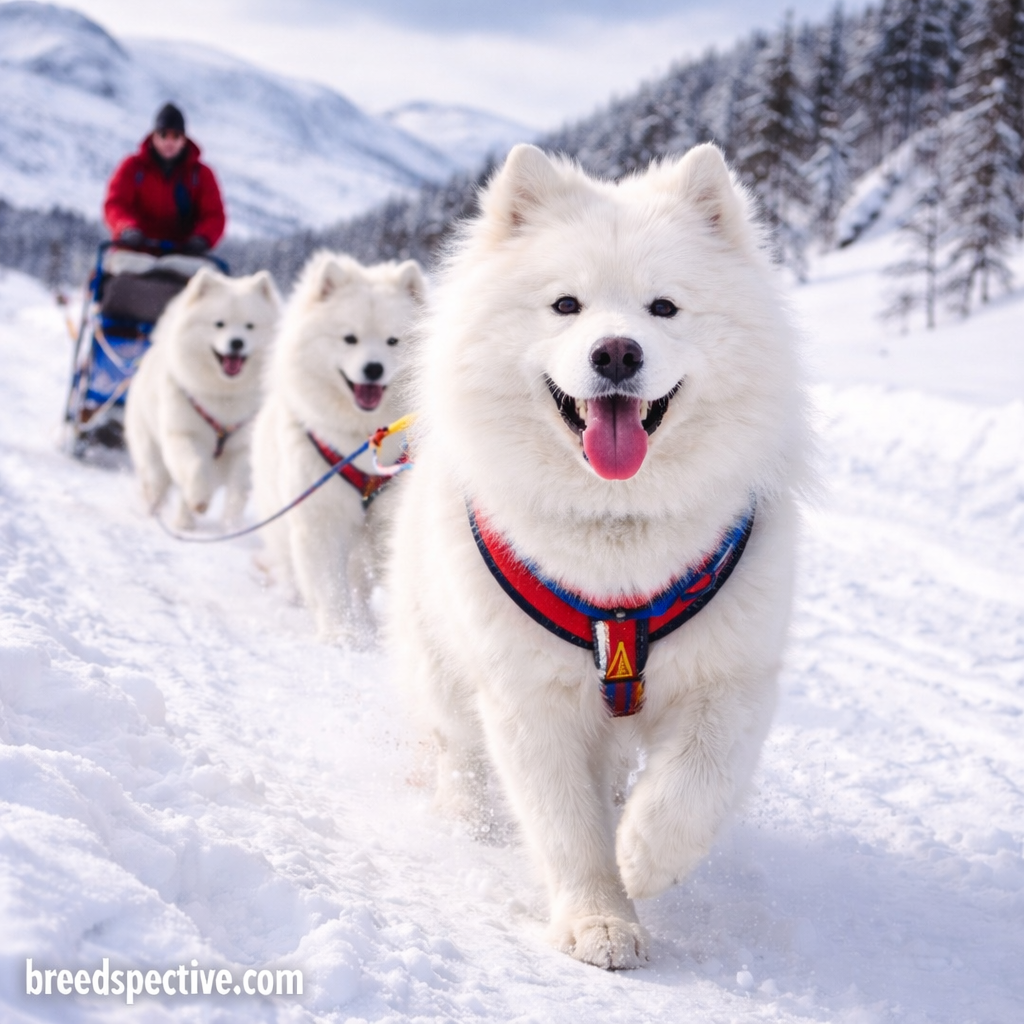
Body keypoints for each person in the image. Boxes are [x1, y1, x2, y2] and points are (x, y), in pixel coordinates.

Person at [104, 103, 226, 255]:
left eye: (176, 136)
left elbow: (214, 215)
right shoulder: (132, 167)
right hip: (135, 251)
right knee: (104, 275)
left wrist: (202, 238)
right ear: (154, 136)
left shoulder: (201, 175)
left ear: (184, 140)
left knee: (208, 278)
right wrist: (126, 229)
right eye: (163, 135)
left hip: (184, 255)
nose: (169, 142)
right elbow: (115, 204)